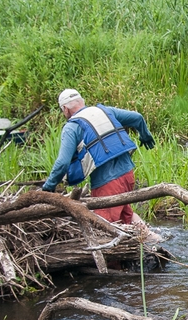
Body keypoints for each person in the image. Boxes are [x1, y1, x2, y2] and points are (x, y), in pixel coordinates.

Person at [42, 89, 156, 227]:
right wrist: (145, 135)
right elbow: (137, 117)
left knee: (104, 226)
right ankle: (156, 240)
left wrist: (48, 187)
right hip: (127, 174)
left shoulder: (72, 127)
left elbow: (62, 163)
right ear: (81, 101)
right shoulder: (104, 111)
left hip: (107, 182)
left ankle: (145, 244)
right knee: (127, 215)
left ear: (65, 109)